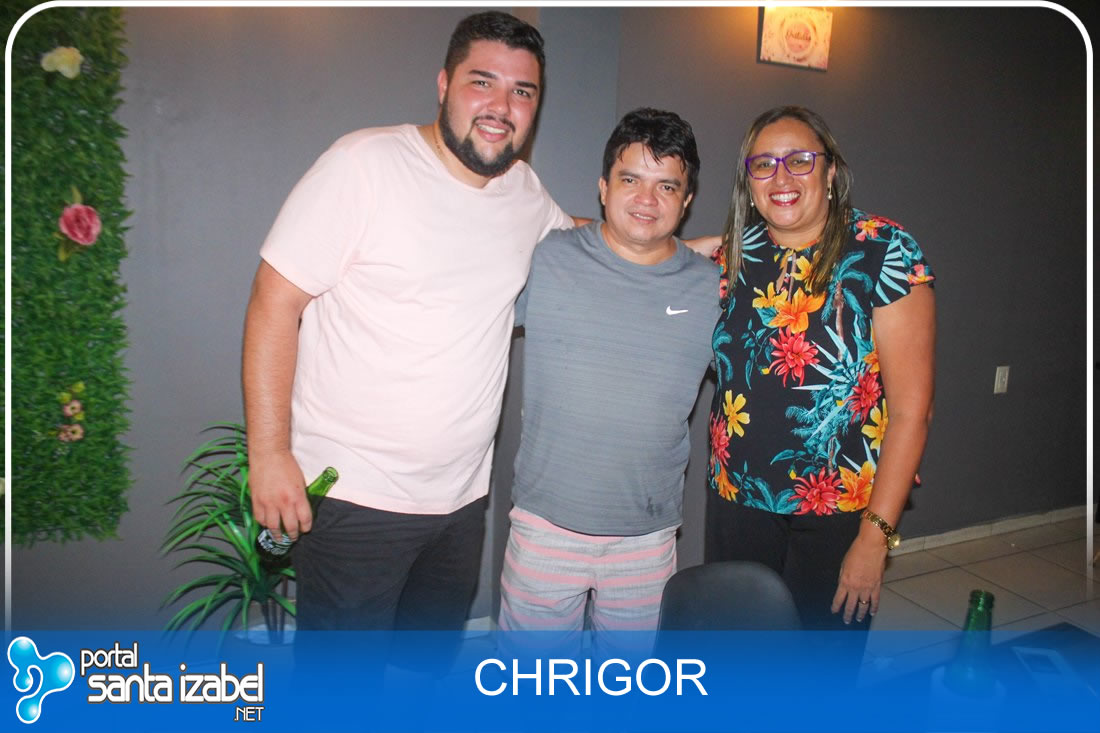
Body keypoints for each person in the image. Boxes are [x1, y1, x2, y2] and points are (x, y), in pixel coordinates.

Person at [241, 11, 576, 650]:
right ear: (445, 84)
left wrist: (668, 245)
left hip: (461, 504)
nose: (501, 106)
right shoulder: (363, 164)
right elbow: (272, 303)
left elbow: (580, 240)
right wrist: (269, 454)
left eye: (522, 91)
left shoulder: (524, 192)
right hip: (354, 500)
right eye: (482, 82)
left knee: (421, 674)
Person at [498, 108, 720, 655]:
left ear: (687, 200)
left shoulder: (713, 287)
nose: (647, 199)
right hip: (545, 525)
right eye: (630, 180)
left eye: (666, 185)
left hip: (647, 537)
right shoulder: (547, 258)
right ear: (603, 188)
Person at [706, 105, 935, 631]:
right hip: (735, 501)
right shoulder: (733, 255)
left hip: (839, 509)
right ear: (749, 182)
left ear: (830, 171)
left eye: (799, 160)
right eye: (763, 164)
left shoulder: (882, 250)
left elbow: (912, 412)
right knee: (737, 656)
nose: (781, 176)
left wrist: (875, 540)